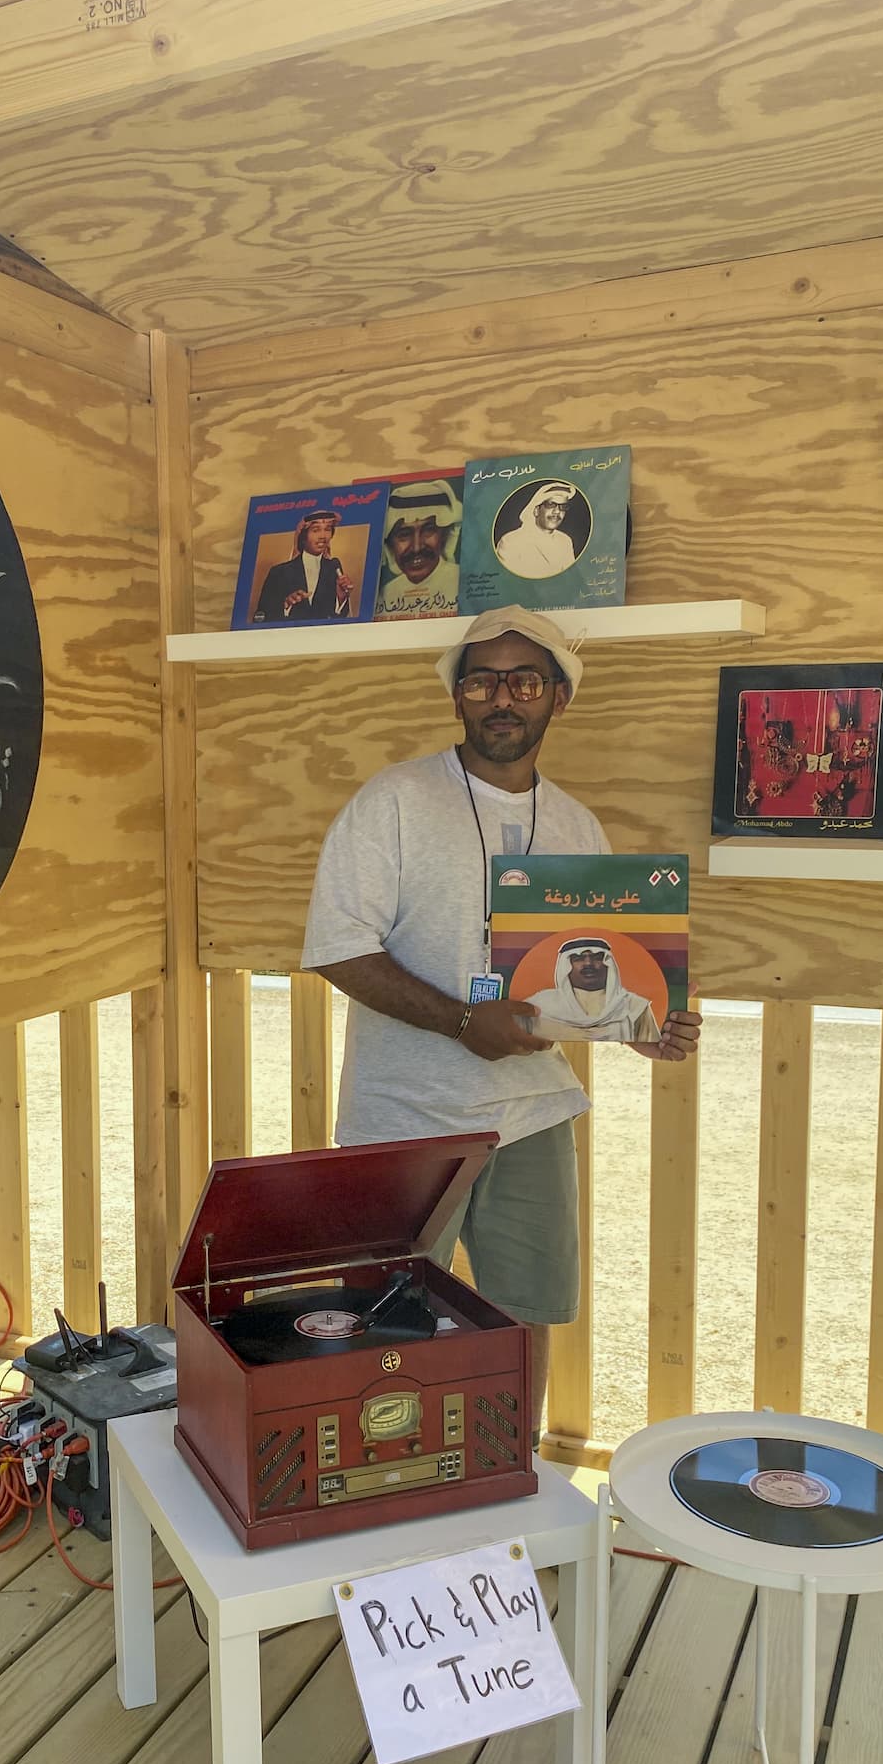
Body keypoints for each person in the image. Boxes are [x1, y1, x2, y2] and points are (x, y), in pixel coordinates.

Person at [301, 605, 701, 1444]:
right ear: (457, 697)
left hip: (533, 1115)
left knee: (524, 1323)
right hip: (404, 1119)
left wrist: (641, 1025)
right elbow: (337, 949)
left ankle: (510, 1481)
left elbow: (583, 983)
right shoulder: (396, 801)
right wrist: (459, 1022)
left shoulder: (576, 826)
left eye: (524, 681)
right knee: (385, 1327)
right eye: (481, 680)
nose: (501, 698)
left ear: (559, 698)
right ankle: (390, 1491)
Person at [524, 936, 663, 1044]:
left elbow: (651, 1045)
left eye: (596, 957)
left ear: (608, 964)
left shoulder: (634, 1007)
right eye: (578, 958)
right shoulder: (539, 1006)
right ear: (566, 966)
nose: (588, 963)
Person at [376, 478, 462, 616]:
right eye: (404, 534)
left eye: (428, 530)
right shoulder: (386, 595)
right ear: (390, 543)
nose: (416, 547)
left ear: (444, 534)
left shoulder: (462, 582)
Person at [252, 509, 356, 623]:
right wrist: (286, 606)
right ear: (303, 536)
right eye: (315, 530)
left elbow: (340, 619)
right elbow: (260, 618)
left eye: (327, 529)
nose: (323, 536)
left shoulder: (334, 568)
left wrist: (340, 599)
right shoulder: (279, 572)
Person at [495, 481, 579, 579]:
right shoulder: (511, 541)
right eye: (551, 504)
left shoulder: (565, 540)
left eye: (563, 507)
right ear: (536, 510)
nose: (557, 512)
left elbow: (572, 578)